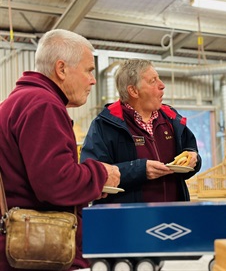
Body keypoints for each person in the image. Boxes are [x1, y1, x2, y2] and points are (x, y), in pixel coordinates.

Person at [0, 29, 121, 271]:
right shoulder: (43, 105)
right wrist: (100, 174)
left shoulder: (18, 101)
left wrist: (88, 187)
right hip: (36, 252)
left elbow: (32, 179)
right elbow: (55, 184)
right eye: (88, 70)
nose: (93, 79)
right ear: (62, 69)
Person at [80, 59, 202, 204]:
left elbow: (191, 151)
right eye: (153, 81)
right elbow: (92, 176)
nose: (162, 86)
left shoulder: (171, 120)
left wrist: (193, 159)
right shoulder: (105, 125)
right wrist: (138, 170)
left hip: (172, 217)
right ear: (133, 91)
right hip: (127, 221)